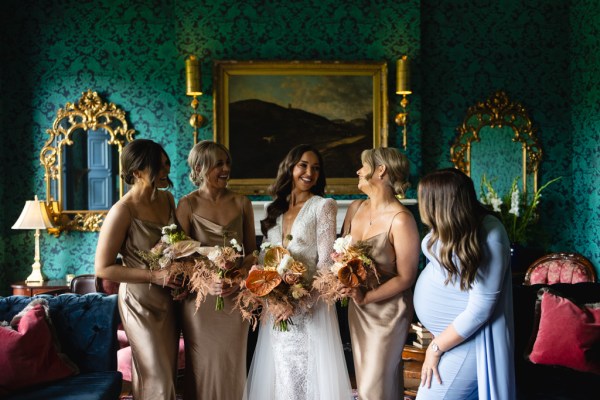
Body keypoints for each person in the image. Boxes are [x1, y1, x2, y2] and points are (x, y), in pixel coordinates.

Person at [244, 144, 353, 400]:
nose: (309, 172)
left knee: (304, 379)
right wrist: (271, 297)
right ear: (290, 167)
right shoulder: (275, 209)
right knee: (280, 377)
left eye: (316, 168)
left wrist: (297, 304)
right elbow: (265, 259)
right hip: (276, 310)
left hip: (307, 310)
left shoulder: (323, 206)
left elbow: (326, 266)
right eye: (303, 165)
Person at [414, 168, 515, 400]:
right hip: (452, 336)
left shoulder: (490, 234)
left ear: (442, 203)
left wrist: (435, 347)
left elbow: (481, 309)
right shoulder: (453, 227)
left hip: (473, 341)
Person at [95, 139, 181, 400]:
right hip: (139, 302)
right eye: (159, 166)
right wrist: (154, 275)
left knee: (164, 372)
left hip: (168, 299)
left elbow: (176, 244)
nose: (166, 170)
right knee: (157, 376)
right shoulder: (122, 211)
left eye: (166, 164)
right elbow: (103, 268)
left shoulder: (167, 199)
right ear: (136, 172)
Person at [176, 140, 256, 400]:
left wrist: (239, 279)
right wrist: (206, 282)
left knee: (233, 363)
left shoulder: (242, 202)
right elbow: (180, 256)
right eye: (218, 164)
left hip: (235, 299)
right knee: (203, 366)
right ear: (200, 167)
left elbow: (252, 253)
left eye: (227, 163)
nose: (225, 169)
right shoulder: (187, 205)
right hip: (201, 302)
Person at [340, 147, 420, 400]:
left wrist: (366, 297)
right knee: (371, 381)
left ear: (381, 170)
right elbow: (340, 257)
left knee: (373, 386)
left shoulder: (401, 219)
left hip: (388, 310)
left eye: (363, 166)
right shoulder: (355, 208)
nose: (358, 171)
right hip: (358, 308)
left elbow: (406, 277)